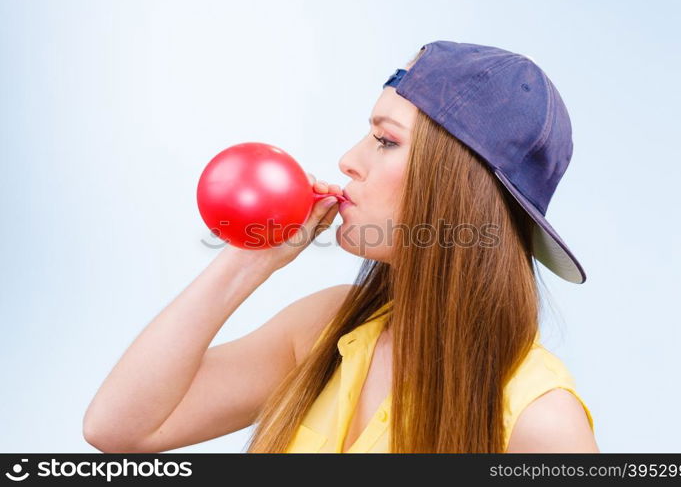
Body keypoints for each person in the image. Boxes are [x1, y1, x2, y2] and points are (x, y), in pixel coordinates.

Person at [83, 41, 598, 453]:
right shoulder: (326, 329)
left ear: (459, 188)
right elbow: (118, 430)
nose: (348, 160)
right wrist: (249, 260)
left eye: (386, 141)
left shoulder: (540, 421)